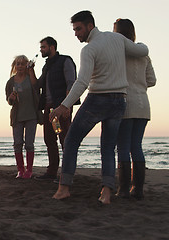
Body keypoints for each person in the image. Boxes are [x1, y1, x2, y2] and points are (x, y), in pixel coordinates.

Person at [50, 10, 149, 204]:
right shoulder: (117, 39)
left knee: (71, 141)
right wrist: (142, 44)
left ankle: (63, 188)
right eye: (74, 30)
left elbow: (82, 82)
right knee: (107, 148)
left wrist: (63, 106)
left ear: (89, 26)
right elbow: (143, 51)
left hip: (97, 99)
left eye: (78, 29)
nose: (76, 33)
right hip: (120, 100)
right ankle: (106, 193)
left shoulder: (89, 49)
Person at [114, 19, 156, 200]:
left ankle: (123, 189)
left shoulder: (119, 53)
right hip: (143, 104)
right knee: (136, 146)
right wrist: (139, 85)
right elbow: (152, 80)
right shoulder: (143, 55)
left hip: (125, 102)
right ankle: (137, 189)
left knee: (123, 146)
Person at [34, 37, 78, 181]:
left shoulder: (65, 61)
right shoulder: (47, 66)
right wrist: (30, 71)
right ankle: (52, 172)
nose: (41, 50)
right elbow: (38, 84)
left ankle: (67, 173)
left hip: (60, 108)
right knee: (50, 139)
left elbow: (71, 83)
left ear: (52, 47)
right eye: (41, 47)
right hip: (49, 109)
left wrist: (67, 106)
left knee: (64, 139)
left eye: (43, 47)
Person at [5, 55, 42, 179]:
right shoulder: (11, 82)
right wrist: (11, 98)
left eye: (22, 64)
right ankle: (20, 170)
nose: (20, 66)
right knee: (17, 143)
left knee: (29, 144)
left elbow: (36, 87)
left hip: (31, 115)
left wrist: (31, 70)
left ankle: (29, 170)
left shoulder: (29, 77)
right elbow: (9, 101)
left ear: (26, 65)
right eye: (18, 64)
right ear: (14, 66)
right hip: (17, 116)